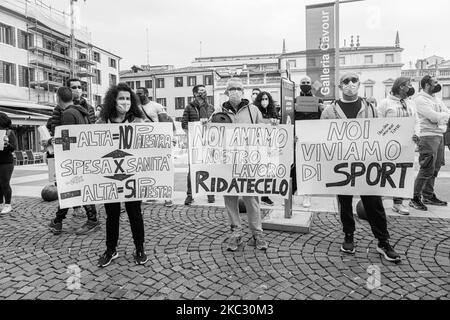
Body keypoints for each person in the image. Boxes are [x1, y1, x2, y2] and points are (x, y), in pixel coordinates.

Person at [321, 72, 401, 263]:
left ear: (359, 84)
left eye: (354, 80)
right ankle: (349, 235)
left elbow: (381, 132)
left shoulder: (370, 108)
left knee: (374, 203)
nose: (350, 84)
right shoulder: (329, 111)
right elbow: (321, 136)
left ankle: (383, 241)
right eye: (346, 81)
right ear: (340, 86)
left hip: (367, 164)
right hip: (341, 166)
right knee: (345, 203)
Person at [96, 83, 148, 267]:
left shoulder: (138, 122)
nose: (125, 102)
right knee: (112, 215)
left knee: (135, 213)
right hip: (110, 177)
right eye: (121, 99)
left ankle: (139, 247)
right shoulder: (101, 124)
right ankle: (111, 249)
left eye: (128, 98)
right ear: (113, 101)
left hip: (132, 176)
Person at [216, 78, 268, 252]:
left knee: (251, 198)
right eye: (232, 89)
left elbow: (263, 131)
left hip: (248, 161)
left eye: (238, 88)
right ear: (226, 92)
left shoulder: (253, 111)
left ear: (243, 92)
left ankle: (257, 233)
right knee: (230, 198)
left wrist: (273, 127)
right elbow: (211, 135)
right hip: (227, 162)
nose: (235, 91)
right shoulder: (218, 111)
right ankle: (235, 231)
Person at [48, 87, 100, 235]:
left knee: (75, 190)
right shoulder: (82, 112)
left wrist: (51, 142)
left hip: (73, 159)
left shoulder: (68, 114)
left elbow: (67, 140)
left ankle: (92, 220)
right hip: (82, 157)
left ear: (58, 98)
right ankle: (58, 221)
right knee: (70, 191)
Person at [378, 77, 419, 215]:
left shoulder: (411, 103)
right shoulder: (385, 103)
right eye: (409, 85)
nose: (411, 87)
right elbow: (378, 123)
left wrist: (416, 134)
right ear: (401, 87)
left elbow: (417, 121)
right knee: (386, 171)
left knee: (402, 172)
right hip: (389, 144)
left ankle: (398, 203)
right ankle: (379, 201)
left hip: (407, 144)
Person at [409, 75, 450, 211]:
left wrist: (441, 117)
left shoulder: (437, 99)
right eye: (435, 82)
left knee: (436, 167)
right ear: (427, 85)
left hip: (439, 135)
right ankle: (414, 197)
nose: (438, 85)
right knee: (427, 167)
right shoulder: (420, 100)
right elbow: (433, 116)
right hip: (427, 136)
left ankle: (428, 195)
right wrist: (441, 117)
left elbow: (446, 113)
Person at [136, 86, 175, 207]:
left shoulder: (157, 106)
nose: (138, 95)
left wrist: (169, 138)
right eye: (136, 93)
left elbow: (165, 123)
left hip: (158, 142)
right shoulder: (135, 108)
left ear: (146, 94)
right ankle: (150, 194)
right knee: (146, 169)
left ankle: (167, 197)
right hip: (143, 143)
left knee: (164, 169)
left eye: (140, 93)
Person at [181, 84, 216, 205]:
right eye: (201, 91)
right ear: (195, 94)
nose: (204, 93)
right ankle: (190, 195)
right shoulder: (189, 107)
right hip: (194, 144)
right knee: (192, 170)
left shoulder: (211, 107)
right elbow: (184, 124)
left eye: (205, 91)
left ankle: (210, 193)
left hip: (208, 143)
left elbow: (215, 124)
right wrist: (193, 134)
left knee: (209, 168)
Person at [295, 76, 324, 208]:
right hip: (298, 137)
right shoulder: (295, 100)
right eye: (303, 83)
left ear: (311, 84)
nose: (305, 85)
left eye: (307, 83)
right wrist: (292, 109)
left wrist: (322, 109)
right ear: (299, 85)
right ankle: (295, 191)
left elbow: (322, 119)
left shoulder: (318, 100)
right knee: (297, 166)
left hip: (312, 137)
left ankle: (308, 195)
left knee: (310, 165)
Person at [253, 91, 278, 206]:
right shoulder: (254, 111)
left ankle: (264, 195)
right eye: (262, 99)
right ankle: (258, 194)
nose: (264, 101)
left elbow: (278, 127)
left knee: (268, 171)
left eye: (266, 99)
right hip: (258, 145)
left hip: (270, 145)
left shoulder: (274, 111)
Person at [0, 112, 17, 214]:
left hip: (6, 162)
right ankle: (0, 203)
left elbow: (14, 147)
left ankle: (8, 204)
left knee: (4, 183)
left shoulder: (9, 132)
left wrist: (7, 144)